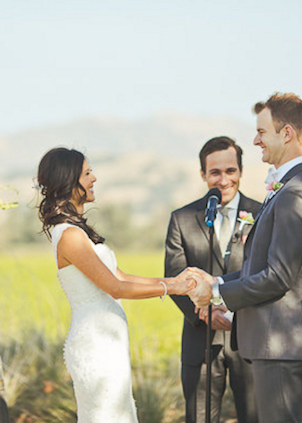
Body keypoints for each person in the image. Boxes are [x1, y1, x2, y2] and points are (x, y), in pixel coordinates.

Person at [188, 93, 302, 423]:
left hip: (281, 342)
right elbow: (261, 266)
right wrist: (217, 281)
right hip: (271, 344)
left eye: (262, 132)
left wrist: (217, 294)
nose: (255, 140)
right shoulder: (291, 186)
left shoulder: (299, 192)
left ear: (287, 134)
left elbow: (279, 277)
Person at [36, 147, 198, 423]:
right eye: (87, 173)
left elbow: (121, 276)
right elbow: (116, 288)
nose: (94, 178)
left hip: (108, 343)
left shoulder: (77, 233)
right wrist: (173, 289)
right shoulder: (70, 236)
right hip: (95, 346)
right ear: (68, 181)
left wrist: (175, 281)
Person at [165, 136, 260, 423]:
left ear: (240, 171)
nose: (223, 179)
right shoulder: (182, 219)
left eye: (230, 171)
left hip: (250, 336)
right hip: (200, 341)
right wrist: (205, 312)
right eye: (215, 172)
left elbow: (264, 272)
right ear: (203, 174)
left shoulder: (263, 214)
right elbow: (174, 276)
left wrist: (229, 305)